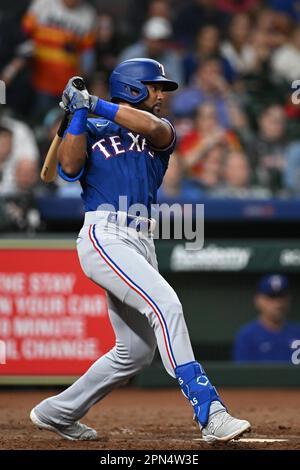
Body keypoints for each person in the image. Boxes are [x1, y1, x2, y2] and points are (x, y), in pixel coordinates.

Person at [29, 58, 251, 442]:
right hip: (105, 233)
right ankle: (210, 410)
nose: (162, 95)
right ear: (132, 86)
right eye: (155, 86)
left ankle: (57, 411)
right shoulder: (92, 125)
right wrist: (78, 116)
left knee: (133, 353)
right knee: (166, 304)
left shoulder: (160, 129)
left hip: (141, 238)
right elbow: (66, 168)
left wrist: (91, 102)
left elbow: (150, 126)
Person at [233, 274, 300, 362]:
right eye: (271, 297)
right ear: (258, 300)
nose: (278, 303)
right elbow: (243, 374)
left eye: (281, 297)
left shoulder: (297, 332)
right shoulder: (247, 336)